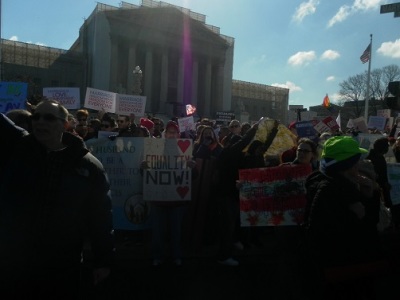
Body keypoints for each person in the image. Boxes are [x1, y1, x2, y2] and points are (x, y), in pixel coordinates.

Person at [0, 100, 115, 299]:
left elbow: (101, 217)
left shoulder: (88, 166)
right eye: (36, 117)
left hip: (62, 262)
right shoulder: (19, 149)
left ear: (65, 125)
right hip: (16, 258)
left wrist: (103, 260)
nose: (40, 122)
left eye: (49, 117)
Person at [304, 136, 384, 298]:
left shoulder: (340, 186)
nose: (359, 164)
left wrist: (370, 196)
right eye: (356, 161)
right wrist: (362, 205)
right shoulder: (333, 191)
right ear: (347, 165)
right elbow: (361, 231)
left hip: (345, 269)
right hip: (344, 271)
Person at [141, 120, 196, 267]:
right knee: (158, 232)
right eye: (169, 132)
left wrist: (193, 167)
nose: (171, 135)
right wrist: (144, 167)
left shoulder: (185, 150)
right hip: (159, 198)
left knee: (176, 231)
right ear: (165, 134)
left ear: (178, 134)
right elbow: (148, 174)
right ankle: (157, 256)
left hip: (177, 200)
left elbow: (191, 176)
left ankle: (176, 255)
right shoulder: (155, 148)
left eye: (174, 132)